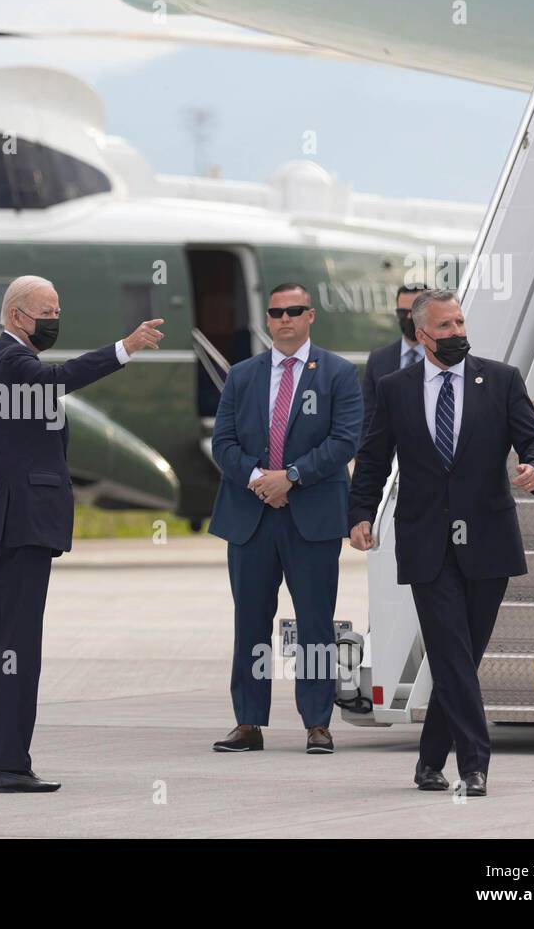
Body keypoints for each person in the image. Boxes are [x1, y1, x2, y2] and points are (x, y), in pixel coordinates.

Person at [349, 289, 534, 797]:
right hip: (426, 541)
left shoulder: (500, 380)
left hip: (488, 537)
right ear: (422, 335)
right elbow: (373, 458)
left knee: (461, 654)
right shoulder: (395, 388)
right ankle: (474, 764)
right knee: (449, 647)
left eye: (460, 322)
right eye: (445, 326)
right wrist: (359, 514)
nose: (457, 332)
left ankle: (427, 762)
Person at [0, 276, 164, 794]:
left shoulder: (2, 367)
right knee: (18, 647)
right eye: (45, 311)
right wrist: (125, 347)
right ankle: (9, 764)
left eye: (57, 308)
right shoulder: (13, 362)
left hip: (8, 522)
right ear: (16, 317)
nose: (54, 319)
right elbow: (62, 377)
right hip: (22, 524)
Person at [207, 283, 362, 758]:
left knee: (315, 624)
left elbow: (345, 441)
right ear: (269, 319)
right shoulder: (243, 375)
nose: (285, 319)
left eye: (295, 311)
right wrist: (260, 479)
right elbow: (223, 443)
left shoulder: (337, 373)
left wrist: (291, 478)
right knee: (250, 622)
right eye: (277, 313)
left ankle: (317, 723)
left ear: (310, 315)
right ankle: (248, 721)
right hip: (251, 517)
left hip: (311, 516)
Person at [361, 284, 427, 440]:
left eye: (415, 311)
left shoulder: (444, 358)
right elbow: (368, 418)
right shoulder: (378, 360)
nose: (409, 317)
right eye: (403, 312)